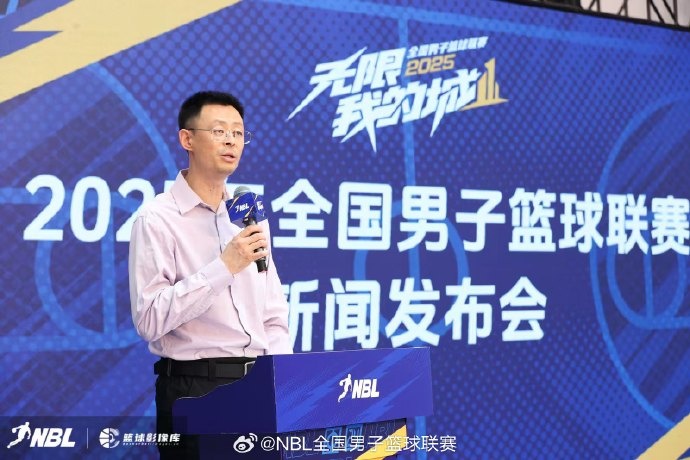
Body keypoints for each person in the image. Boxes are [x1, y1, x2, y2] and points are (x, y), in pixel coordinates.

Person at [128, 91, 292, 459]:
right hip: (194, 387)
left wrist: (282, 380)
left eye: (238, 133)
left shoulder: (249, 215)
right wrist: (224, 267)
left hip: (258, 386)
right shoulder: (157, 219)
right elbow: (149, 319)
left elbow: (272, 312)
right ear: (187, 139)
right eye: (219, 131)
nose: (231, 141)